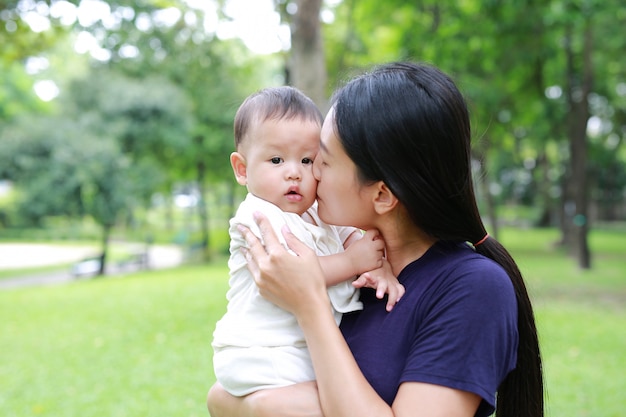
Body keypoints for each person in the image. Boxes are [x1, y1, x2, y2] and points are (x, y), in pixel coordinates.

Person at [207, 62, 544, 417]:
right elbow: (222, 396)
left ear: (382, 195)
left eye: (322, 160)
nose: (308, 173)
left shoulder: (471, 288)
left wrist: (309, 305)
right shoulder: (352, 264)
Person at [212, 86, 405, 398]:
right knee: (336, 399)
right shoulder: (257, 216)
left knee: (341, 389)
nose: (294, 173)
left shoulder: (317, 210)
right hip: (260, 352)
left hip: (299, 346)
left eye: (306, 160)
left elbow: (357, 239)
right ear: (242, 169)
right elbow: (296, 273)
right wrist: (353, 262)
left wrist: (379, 268)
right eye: (276, 160)